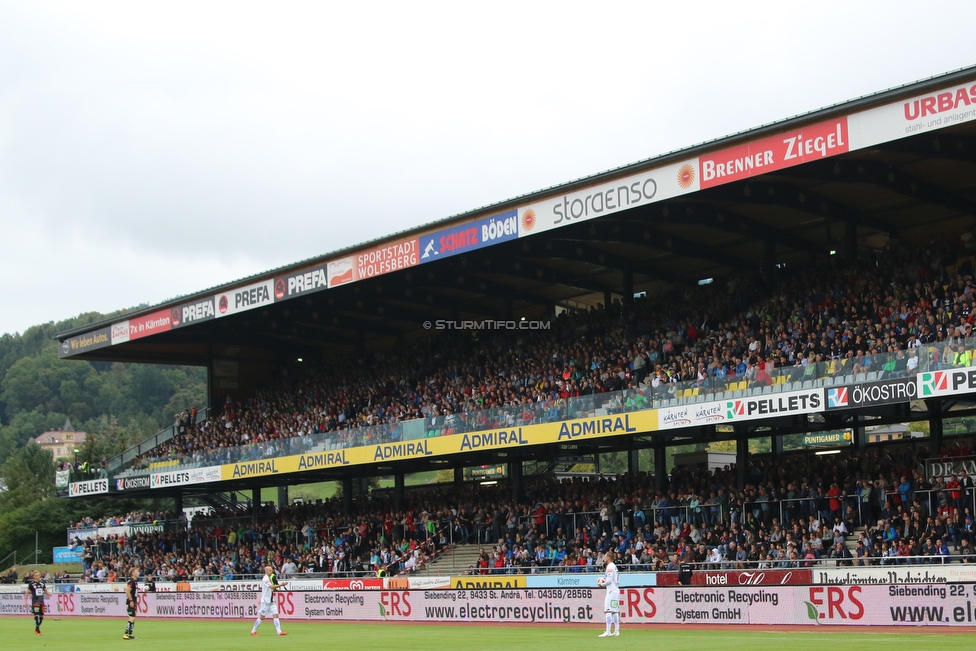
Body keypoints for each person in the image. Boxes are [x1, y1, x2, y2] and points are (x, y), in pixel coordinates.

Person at [251, 566, 289, 636]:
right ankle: (253, 631)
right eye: (269, 570)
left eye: (271, 570)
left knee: (276, 615)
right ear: (266, 571)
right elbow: (271, 587)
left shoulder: (269, 578)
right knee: (262, 617)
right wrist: (281, 585)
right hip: (265, 602)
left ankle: (279, 632)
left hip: (271, 601)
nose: (271, 572)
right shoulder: (265, 579)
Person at [597, 551, 620, 637]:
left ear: (608, 558)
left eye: (605, 557)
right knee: (614, 611)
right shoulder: (614, 566)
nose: (604, 559)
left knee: (607, 610)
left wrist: (602, 584)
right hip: (616, 589)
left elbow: (609, 580)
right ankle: (617, 631)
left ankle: (608, 631)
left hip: (611, 590)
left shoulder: (610, 566)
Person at [24, 570, 51, 636]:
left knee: (41, 616)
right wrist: (25, 601)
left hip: (41, 602)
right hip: (35, 602)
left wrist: (49, 593)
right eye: (36, 575)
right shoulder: (31, 584)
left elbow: (45, 591)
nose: (37, 576)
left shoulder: (42, 583)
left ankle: (36, 628)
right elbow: (27, 592)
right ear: (33, 576)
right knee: (36, 615)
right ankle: (38, 630)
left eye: (38, 575)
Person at [123, 567, 139, 640]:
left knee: (133, 618)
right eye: (136, 571)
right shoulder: (131, 581)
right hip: (131, 602)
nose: (138, 572)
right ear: (133, 573)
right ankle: (126, 634)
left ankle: (130, 633)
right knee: (131, 617)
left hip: (133, 601)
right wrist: (131, 601)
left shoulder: (134, 581)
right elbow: (127, 591)